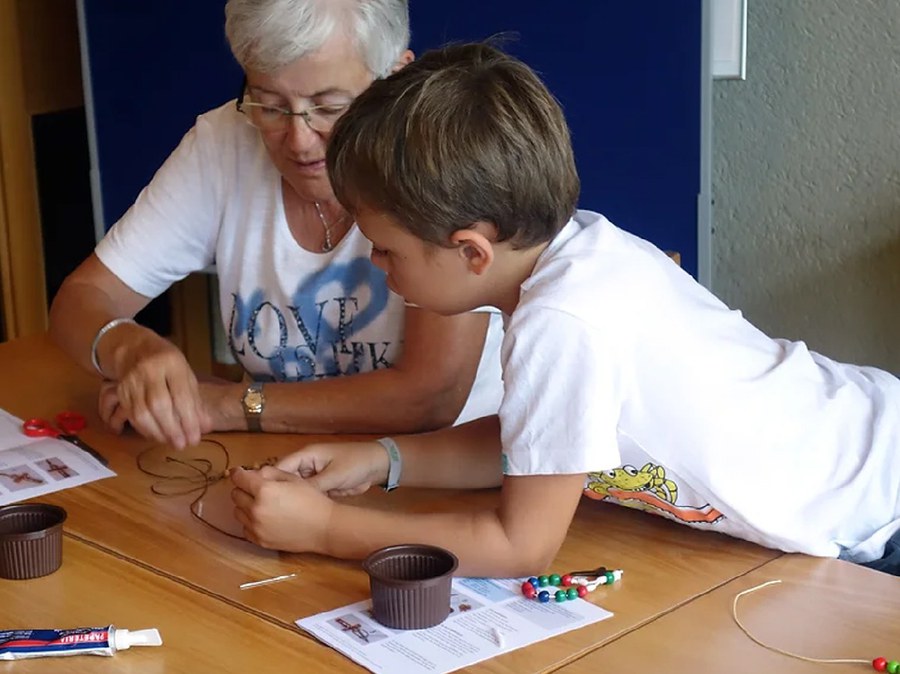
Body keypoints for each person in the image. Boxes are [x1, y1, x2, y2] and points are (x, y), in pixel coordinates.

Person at [229, 41, 900, 578]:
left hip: (874, 514)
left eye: (385, 249)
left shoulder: (564, 321)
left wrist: (324, 531)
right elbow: (538, 443)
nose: (377, 266)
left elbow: (519, 546)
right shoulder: (575, 252)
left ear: (470, 251)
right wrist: (383, 459)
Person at [49, 1, 503, 450]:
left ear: (395, 77)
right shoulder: (223, 144)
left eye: (328, 107)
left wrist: (227, 406)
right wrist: (128, 347)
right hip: (278, 458)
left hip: (446, 469)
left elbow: (430, 396)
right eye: (269, 106)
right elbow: (83, 298)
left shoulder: (445, 157)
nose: (300, 141)